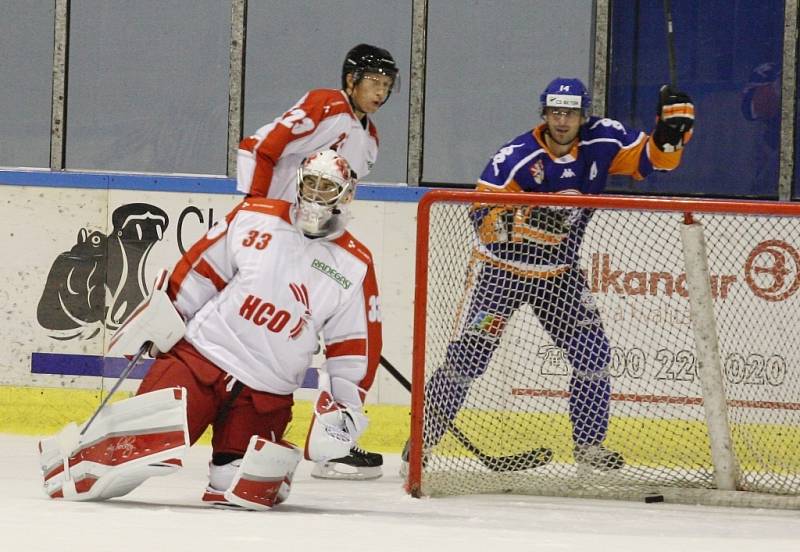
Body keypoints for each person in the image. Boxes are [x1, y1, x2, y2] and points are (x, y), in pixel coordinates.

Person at [39, 151, 382, 509]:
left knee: (241, 483)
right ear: (298, 182)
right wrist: (164, 315)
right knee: (143, 446)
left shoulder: (354, 265)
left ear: (345, 195)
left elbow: (353, 345)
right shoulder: (255, 218)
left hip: (264, 390)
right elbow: (200, 271)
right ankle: (71, 458)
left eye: (326, 186)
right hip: (201, 358)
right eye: (310, 181)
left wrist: (344, 405)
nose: (315, 193)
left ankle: (238, 465)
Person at [404, 77, 694, 473]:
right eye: (555, 112)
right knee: (468, 359)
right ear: (544, 113)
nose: (562, 120)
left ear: (582, 115)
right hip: (503, 274)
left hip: (560, 276)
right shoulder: (516, 157)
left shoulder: (603, 139)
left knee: (593, 355)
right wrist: (522, 223)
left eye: (570, 112)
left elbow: (654, 160)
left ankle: (590, 449)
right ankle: (422, 440)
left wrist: (670, 134)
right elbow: (479, 214)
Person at [236, 43, 398, 478]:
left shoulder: (370, 141)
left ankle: (333, 437)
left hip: (314, 243)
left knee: (360, 315)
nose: (380, 93)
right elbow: (259, 148)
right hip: (277, 235)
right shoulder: (324, 104)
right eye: (373, 83)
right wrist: (259, 217)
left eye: (387, 85)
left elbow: (339, 200)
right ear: (351, 81)